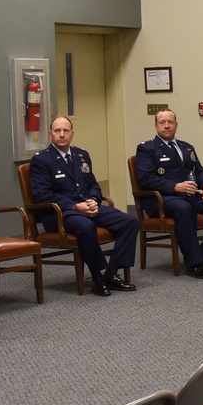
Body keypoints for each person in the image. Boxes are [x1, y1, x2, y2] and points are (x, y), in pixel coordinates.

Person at [30, 116, 138, 297]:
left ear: (72, 134)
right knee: (86, 226)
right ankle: (97, 277)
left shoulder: (81, 155)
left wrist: (94, 200)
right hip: (60, 213)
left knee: (130, 221)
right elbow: (41, 194)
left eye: (66, 131)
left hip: (87, 208)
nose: (62, 135)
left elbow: (92, 184)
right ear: (50, 134)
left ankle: (111, 274)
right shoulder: (42, 160)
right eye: (57, 131)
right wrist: (75, 206)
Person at [135, 109, 203, 279]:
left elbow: (200, 171)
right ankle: (194, 264)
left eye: (170, 122)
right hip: (162, 200)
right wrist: (175, 187)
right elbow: (146, 179)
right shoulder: (147, 148)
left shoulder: (187, 147)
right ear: (155, 126)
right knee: (184, 209)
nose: (166, 126)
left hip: (189, 196)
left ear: (176, 124)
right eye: (162, 122)